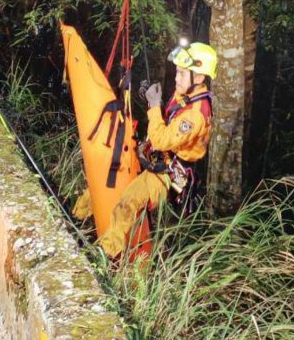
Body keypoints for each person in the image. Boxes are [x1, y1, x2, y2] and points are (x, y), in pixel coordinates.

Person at [76, 42, 217, 258]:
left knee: (128, 203)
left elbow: (161, 140)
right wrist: (149, 98)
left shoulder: (196, 115)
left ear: (199, 78)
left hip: (168, 173)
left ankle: (104, 254)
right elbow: (166, 120)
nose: (176, 78)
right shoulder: (187, 95)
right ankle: (78, 221)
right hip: (156, 157)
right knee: (105, 180)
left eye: (181, 73)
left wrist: (154, 106)